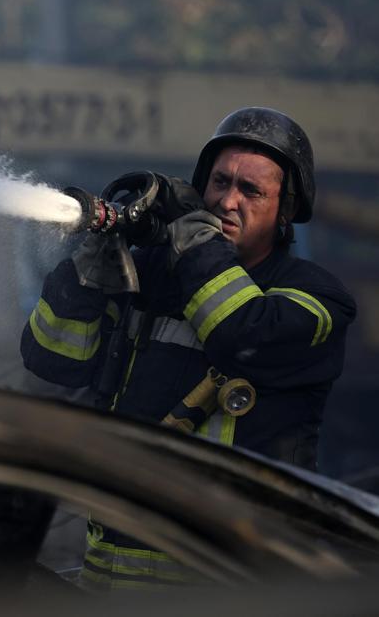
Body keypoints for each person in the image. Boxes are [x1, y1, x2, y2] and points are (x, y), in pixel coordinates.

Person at [20, 107, 356, 590]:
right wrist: (87, 272)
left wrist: (195, 241)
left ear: (284, 212)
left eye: (251, 191)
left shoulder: (316, 298)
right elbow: (53, 359)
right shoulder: (151, 276)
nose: (227, 201)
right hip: (110, 577)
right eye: (219, 183)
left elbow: (242, 337)